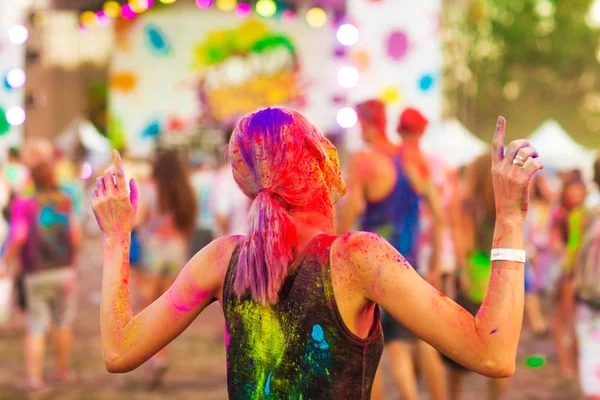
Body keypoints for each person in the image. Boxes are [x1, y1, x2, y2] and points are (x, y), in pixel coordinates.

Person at [92, 108, 542, 400]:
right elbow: (492, 354)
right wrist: (509, 219)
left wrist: (116, 237)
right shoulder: (356, 259)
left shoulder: (220, 261)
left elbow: (119, 351)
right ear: (317, 161)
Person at [337, 101, 446, 400]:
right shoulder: (409, 157)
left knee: (369, 353)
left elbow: (352, 207)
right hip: (409, 265)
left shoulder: (363, 160)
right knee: (411, 344)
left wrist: (332, 244)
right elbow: (437, 212)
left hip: (373, 268)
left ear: (367, 123)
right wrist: (435, 262)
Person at [0, 161, 81, 392]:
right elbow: (76, 235)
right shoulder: (65, 202)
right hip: (64, 271)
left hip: (36, 272)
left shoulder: (24, 204)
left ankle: (35, 381)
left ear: (31, 180)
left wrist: (5, 261)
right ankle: (62, 371)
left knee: (36, 325)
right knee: (63, 321)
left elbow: (19, 236)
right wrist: (73, 261)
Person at [445, 153, 513, 400]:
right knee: (500, 349)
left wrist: (460, 272)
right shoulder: (505, 203)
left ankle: (454, 397)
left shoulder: (468, 202)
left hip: (474, 275)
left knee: (458, 350)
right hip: (501, 276)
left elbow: (463, 242)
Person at [133, 149, 197, 388]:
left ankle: (150, 356)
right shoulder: (186, 190)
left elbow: (138, 220)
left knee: (147, 305)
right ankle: (160, 358)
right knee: (167, 309)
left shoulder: (150, 189)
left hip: (153, 249)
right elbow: (189, 223)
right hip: (176, 250)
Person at [569, 155, 600, 400]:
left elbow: (575, 256)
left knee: (591, 352)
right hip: (591, 295)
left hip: (590, 297)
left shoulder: (587, 214)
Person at [552, 174, 588, 378]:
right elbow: (560, 244)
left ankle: (573, 362)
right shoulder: (562, 214)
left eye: (578, 191)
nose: (574, 194)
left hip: (574, 272)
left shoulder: (585, 213)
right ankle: (566, 362)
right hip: (567, 273)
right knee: (565, 319)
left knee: (573, 320)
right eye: (571, 191)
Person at [212, 127, 251, 237]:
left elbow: (222, 218)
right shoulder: (257, 174)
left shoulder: (225, 176)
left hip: (235, 244)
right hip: (255, 245)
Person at [189, 155, 216, 256]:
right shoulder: (215, 177)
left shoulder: (194, 179)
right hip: (213, 224)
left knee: (196, 257)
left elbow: (193, 203)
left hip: (198, 223)